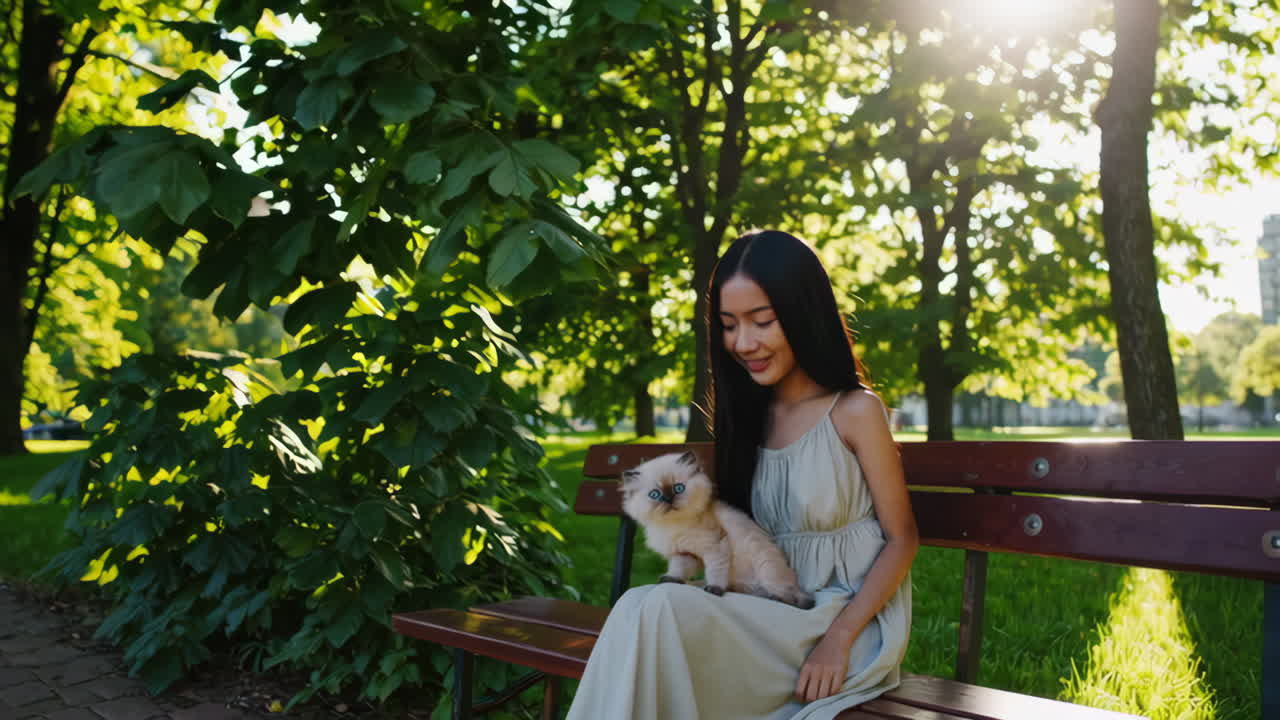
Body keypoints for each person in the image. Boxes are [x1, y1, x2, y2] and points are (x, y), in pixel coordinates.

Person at [565, 229, 917, 719]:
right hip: (768, 609)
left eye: (762, 321)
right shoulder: (752, 417)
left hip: (840, 625)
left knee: (658, 611)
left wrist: (837, 640)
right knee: (643, 606)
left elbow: (903, 540)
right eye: (729, 325)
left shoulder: (855, 411)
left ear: (802, 313)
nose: (743, 342)